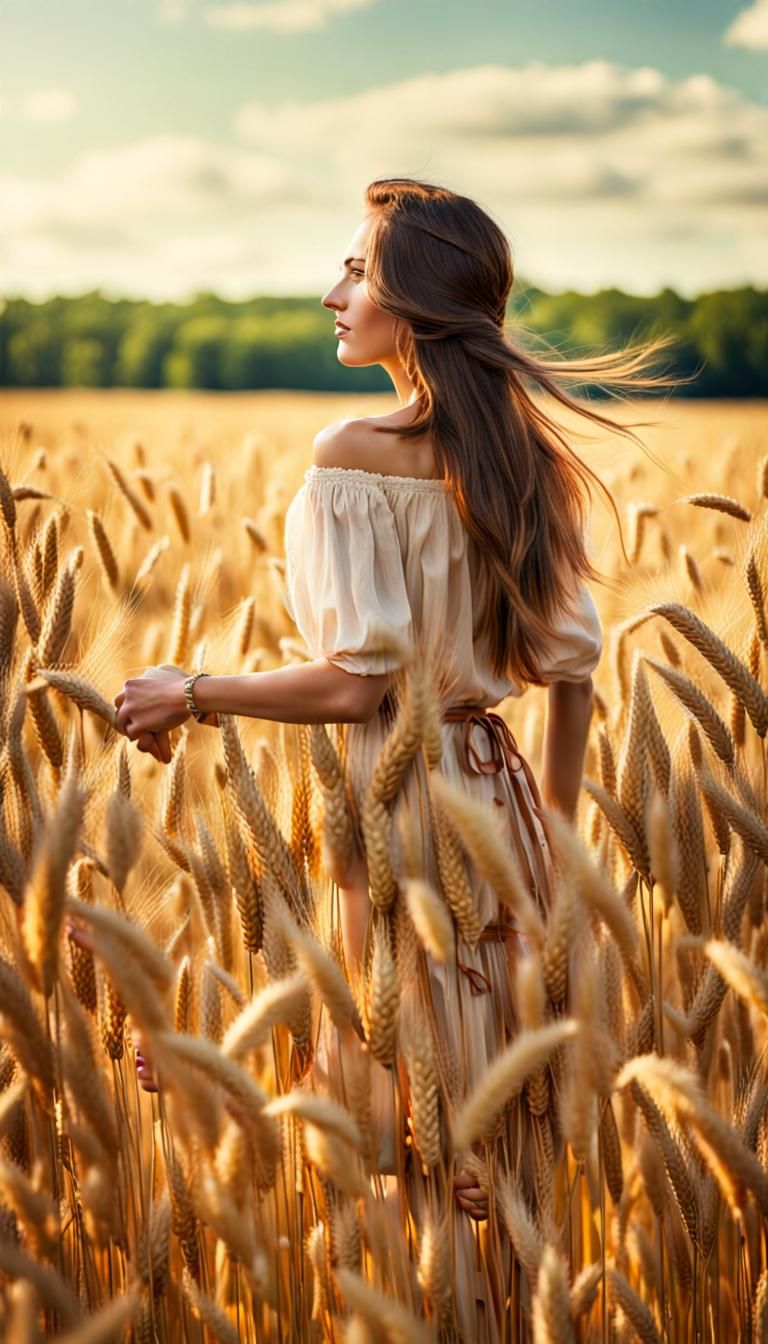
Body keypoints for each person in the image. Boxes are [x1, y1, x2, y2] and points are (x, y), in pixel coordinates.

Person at [111, 177, 686, 1341]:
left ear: (413, 300)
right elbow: (573, 672)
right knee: (492, 1135)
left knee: (405, 1132)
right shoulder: (525, 456)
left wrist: (196, 689)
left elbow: (362, 682)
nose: (334, 293)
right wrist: (558, 861)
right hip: (503, 808)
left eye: (357, 272)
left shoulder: (353, 452)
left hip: (403, 823)